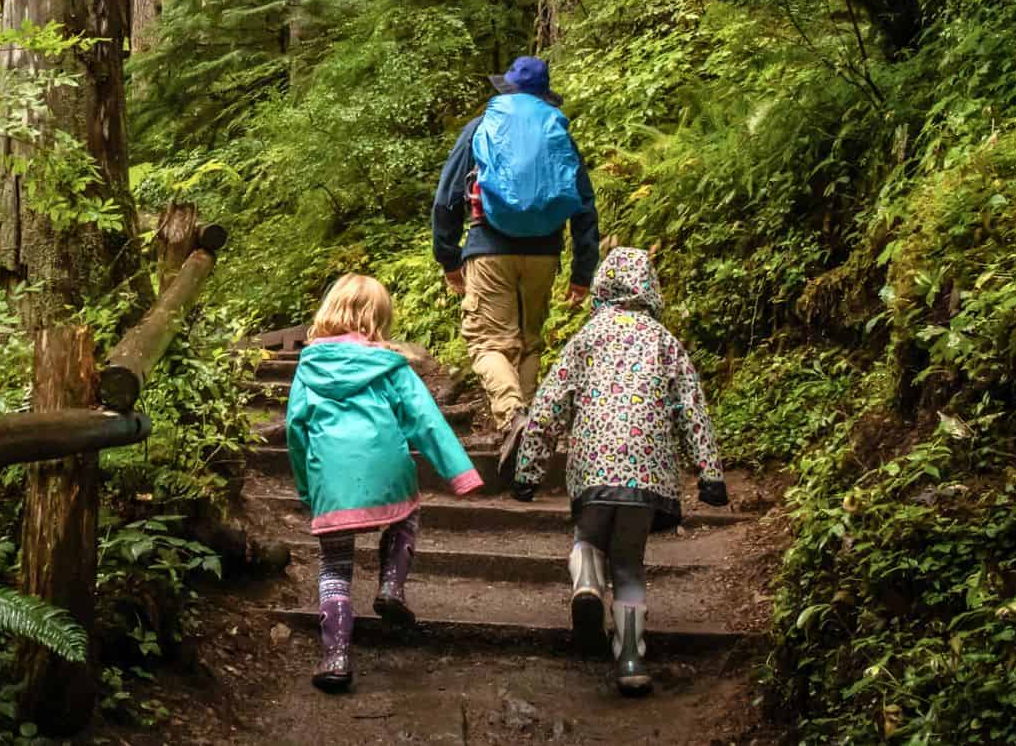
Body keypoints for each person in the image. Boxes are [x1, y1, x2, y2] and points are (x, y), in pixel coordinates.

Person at [508, 247, 728, 696]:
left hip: (593, 469)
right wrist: (711, 475)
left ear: (602, 287)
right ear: (650, 289)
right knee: (628, 564)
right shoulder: (664, 342)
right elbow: (692, 409)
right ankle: (630, 659)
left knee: (588, 540)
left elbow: (550, 405)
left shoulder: (586, 339)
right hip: (648, 476)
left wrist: (528, 471)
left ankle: (587, 584)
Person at [285, 274, 485, 693]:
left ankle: (336, 657)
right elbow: (425, 420)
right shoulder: (391, 366)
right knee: (406, 516)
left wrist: (307, 487)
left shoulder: (308, 367)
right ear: (378, 318)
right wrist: (459, 473)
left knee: (335, 566)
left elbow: (295, 430)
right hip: (386, 467)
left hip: (331, 475)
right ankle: (391, 587)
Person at [431, 56, 601, 473]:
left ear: (506, 88)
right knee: (528, 341)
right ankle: (528, 435)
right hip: (543, 254)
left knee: (488, 342)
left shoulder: (480, 127)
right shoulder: (556, 129)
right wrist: (583, 271)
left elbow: (447, 197)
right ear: (544, 93)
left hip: (489, 248)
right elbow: (583, 205)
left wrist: (448, 256)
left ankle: (512, 417)